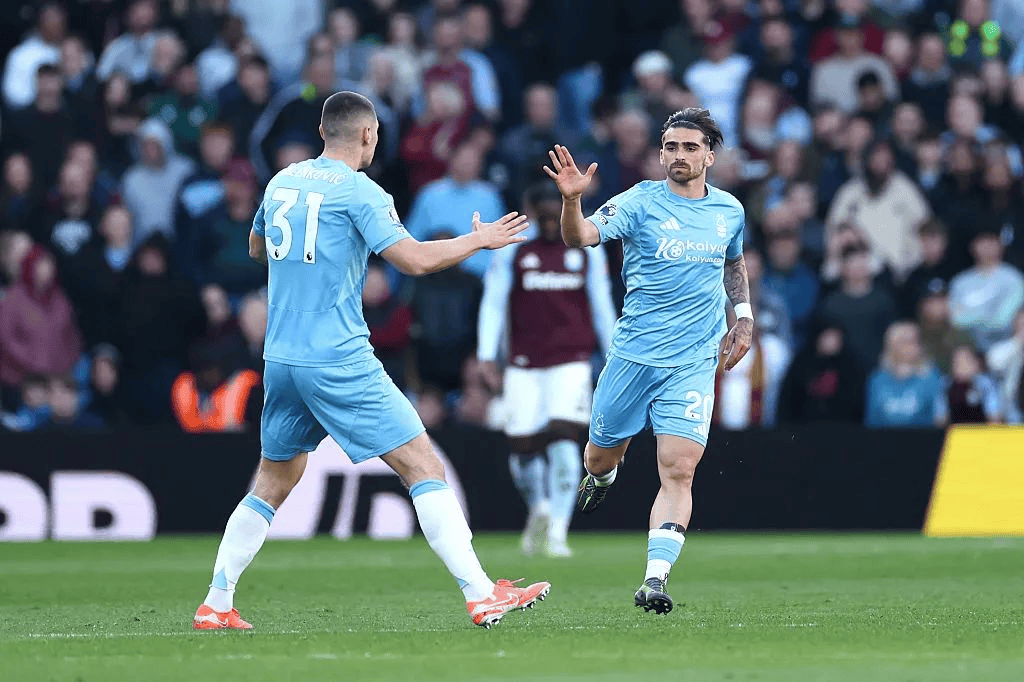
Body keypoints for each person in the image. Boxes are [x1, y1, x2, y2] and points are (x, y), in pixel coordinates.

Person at [193, 91, 548, 632]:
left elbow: (256, 248)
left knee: (272, 480)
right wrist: (478, 240)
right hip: (337, 357)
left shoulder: (281, 181)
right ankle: (482, 595)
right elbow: (415, 260)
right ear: (367, 135)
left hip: (281, 357)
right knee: (423, 466)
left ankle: (217, 602)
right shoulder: (362, 191)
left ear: (321, 131)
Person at [543, 107, 752, 614]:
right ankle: (604, 477)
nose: (679, 155)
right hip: (634, 357)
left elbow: (733, 261)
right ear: (660, 154)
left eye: (690, 147)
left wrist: (743, 317)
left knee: (679, 470)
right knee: (599, 457)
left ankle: (654, 579)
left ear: (709, 156)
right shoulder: (638, 201)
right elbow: (580, 237)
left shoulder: (729, 210)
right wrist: (571, 201)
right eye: (671, 147)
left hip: (693, 361)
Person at [477, 183, 616, 558]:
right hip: (523, 364)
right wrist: (487, 355)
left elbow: (601, 304)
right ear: (534, 213)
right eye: (545, 215)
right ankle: (538, 506)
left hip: (571, 362)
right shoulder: (515, 250)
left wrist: (614, 353)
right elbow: (493, 302)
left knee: (565, 445)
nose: (552, 222)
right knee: (522, 449)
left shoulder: (586, 250)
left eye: (557, 213)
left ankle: (557, 532)